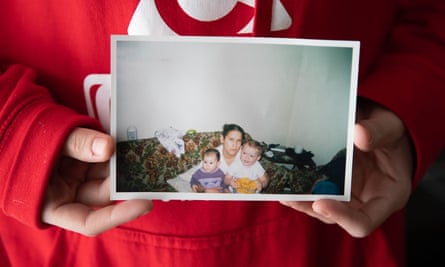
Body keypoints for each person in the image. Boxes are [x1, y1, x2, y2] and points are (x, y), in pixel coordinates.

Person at [1, 1, 445, 266]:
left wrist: (412, 97)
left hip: (333, 226)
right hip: (61, 225)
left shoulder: (269, 159)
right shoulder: (196, 155)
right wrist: (13, 135)